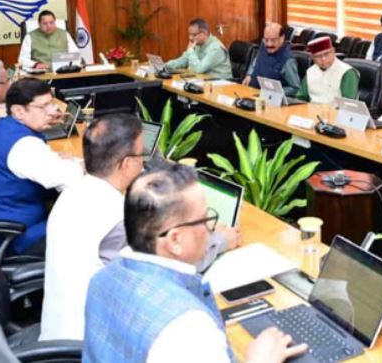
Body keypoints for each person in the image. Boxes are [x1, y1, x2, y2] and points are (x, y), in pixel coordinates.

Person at [40, 115, 241, 341]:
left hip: (61, 326)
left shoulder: (74, 192)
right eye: (141, 156)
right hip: (91, 339)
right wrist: (221, 240)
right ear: (126, 164)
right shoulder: (117, 217)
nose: (143, 163)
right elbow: (172, 263)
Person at [84, 159, 306, 362]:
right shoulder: (189, 329)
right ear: (175, 240)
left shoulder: (101, 278)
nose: (211, 228)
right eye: (205, 219)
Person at [0, 78, 84, 255]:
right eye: (43, 107)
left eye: (51, 103)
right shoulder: (24, 145)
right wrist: (80, 165)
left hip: (2, 219)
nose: (52, 111)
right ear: (19, 111)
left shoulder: (5, 125)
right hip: (12, 238)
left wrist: (66, 162)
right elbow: (72, 181)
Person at [242, 23, 301, 96]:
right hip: (252, 92)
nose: (269, 44)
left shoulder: (288, 60)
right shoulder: (263, 46)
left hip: (270, 99)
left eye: (273, 40)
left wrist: (276, 92)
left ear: (282, 38)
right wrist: (249, 75)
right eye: (266, 40)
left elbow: (295, 88)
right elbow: (256, 61)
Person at [295, 36, 359, 104]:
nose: (323, 59)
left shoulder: (347, 72)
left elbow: (348, 105)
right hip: (312, 109)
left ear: (333, 51)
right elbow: (301, 98)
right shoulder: (310, 71)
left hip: (335, 110)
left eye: (326, 54)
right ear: (313, 58)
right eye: (318, 56)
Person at [165, 18, 232, 79]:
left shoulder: (216, 48)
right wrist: (166, 65)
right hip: (204, 80)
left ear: (204, 34)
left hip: (221, 83)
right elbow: (183, 60)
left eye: (194, 35)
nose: (190, 38)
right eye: (189, 34)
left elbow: (198, 69)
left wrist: (190, 50)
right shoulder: (198, 44)